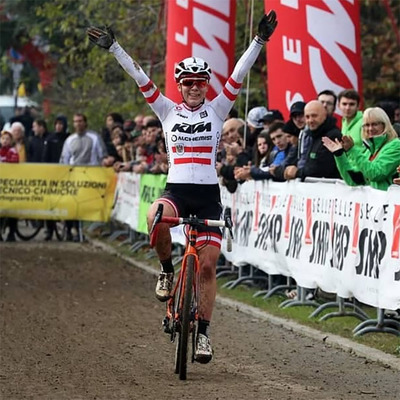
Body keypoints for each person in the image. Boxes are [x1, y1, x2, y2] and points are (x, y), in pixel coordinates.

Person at [87, 10, 278, 363]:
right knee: (157, 218)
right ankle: (166, 269)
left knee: (207, 267)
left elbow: (239, 74)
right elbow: (139, 77)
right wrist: (115, 48)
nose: (194, 87)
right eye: (187, 82)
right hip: (176, 191)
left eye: (200, 82)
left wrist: (259, 41)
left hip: (207, 198)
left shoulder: (219, 109)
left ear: (207, 85)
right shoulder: (165, 110)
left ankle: (202, 335)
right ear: (179, 85)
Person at [322, 107, 400, 191]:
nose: (370, 129)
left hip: (390, 202)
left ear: (384, 125)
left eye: (375, 124)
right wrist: (339, 154)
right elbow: (354, 181)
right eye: (366, 125)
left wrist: (352, 149)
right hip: (373, 202)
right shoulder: (368, 150)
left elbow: (375, 173)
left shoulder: (395, 145)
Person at [60, 113, 109, 241]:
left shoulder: (94, 137)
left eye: (80, 121)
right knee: (71, 204)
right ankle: (70, 229)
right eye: (76, 121)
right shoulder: (70, 140)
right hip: (74, 176)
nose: (78, 124)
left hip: (90, 177)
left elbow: (102, 155)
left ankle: (82, 231)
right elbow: (65, 158)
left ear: (85, 123)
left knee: (85, 205)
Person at [284, 100, 342, 181]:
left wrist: (297, 172)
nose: (310, 120)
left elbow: (322, 169)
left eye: (314, 116)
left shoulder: (332, 136)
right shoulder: (314, 135)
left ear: (324, 115)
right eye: (307, 117)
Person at [0, 130, 19, 241]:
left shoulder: (13, 152)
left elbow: (14, 165)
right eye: (3, 139)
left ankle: (11, 233)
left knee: (12, 209)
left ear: (11, 141)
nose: (5, 141)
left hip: (11, 185)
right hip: (1, 185)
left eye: (7, 139)